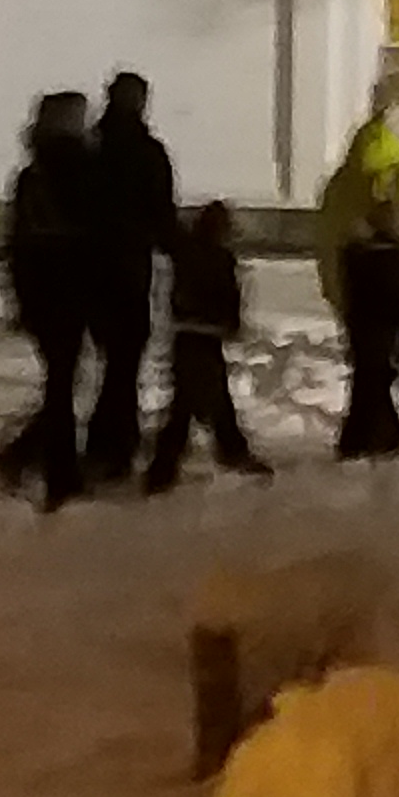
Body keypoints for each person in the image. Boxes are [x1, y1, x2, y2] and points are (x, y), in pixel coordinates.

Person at [0, 91, 106, 505]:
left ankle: (31, 459)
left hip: (41, 289)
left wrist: (19, 297)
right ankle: (52, 470)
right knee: (62, 384)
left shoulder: (32, 174)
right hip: (71, 286)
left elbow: (19, 242)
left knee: (60, 381)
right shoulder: (82, 170)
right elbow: (95, 234)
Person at [314, 105, 399, 457]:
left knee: (368, 361)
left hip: (354, 275)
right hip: (393, 274)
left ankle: (378, 430)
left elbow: (326, 238)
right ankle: (362, 437)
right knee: (391, 361)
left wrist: (334, 288)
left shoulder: (341, 182)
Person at [83, 70, 178, 468]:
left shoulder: (91, 150)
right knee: (125, 357)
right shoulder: (146, 152)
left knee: (112, 356)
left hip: (91, 265)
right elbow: (160, 212)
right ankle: (113, 442)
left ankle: (111, 439)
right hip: (128, 265)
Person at [143, 198, 265, 489]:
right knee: (196, 401)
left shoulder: (185, 252)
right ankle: (171, 464)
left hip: (187, 332)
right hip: (207, 334)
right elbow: (226, 295)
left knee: (192, 399)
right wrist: (231, 323)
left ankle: (175, 462)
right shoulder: (220, 258)